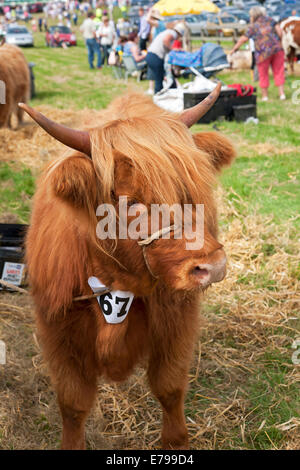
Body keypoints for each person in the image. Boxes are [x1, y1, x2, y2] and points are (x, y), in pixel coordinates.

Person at [229, 6, 285, 101]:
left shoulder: (253, 26)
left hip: (262, 53)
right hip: (277, 50)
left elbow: (244, 38)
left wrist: (234, 49)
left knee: (263, 73)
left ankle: (265, 96)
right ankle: (282, 94)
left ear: (253, 15)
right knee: (279, 71)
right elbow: (280, 31)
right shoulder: (270, 20)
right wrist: (279, 41)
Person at [145, 22, 185, 94]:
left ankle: (171, 91)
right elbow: (166, 40)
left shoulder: (168, 32)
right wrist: (173, 49)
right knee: (159, 78)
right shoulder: (173, 33)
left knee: (161, 76)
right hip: (155, 56)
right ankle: (158, 96)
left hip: (150, 55)